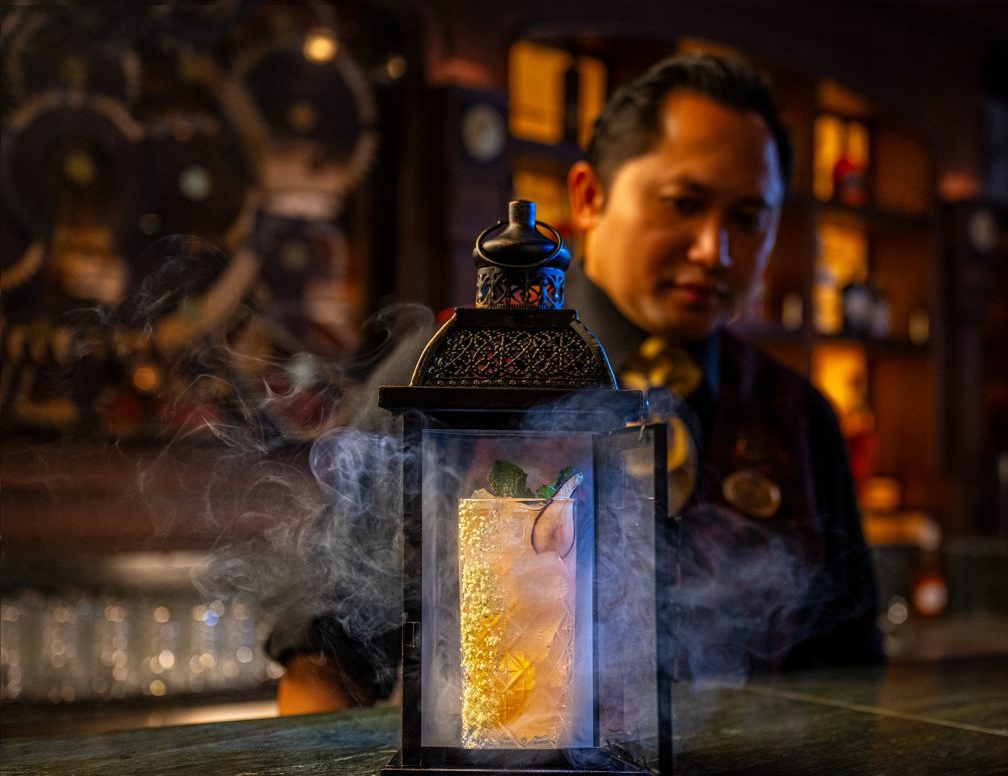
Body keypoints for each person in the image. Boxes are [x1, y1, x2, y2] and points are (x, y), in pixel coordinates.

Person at [273, 52, 883, 713]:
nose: (715, 250)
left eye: (747, 217)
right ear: (590, 198)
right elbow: (322, 658)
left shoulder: (797, 414)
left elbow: (852, 666)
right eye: (684, 203)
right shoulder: (449, 376)